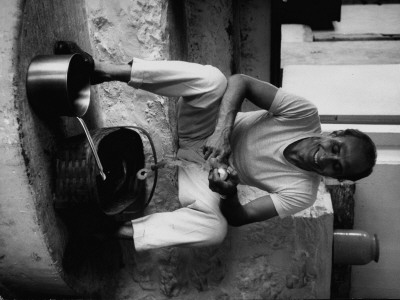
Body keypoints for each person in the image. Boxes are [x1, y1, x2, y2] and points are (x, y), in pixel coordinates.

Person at [55, 42, 377, 252]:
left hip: (205, 175)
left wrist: (228, 191)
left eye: (337, 167)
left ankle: (109, 233)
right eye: (336, 147)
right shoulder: (304, 114)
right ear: (337, 132)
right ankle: (100, 71)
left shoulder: (302, 193)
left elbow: (239, 217)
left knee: (215, 230)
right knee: (214, 80)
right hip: (204, 129)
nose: (327, 158)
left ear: (338, 179)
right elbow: (242, 82)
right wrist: (223, 131)